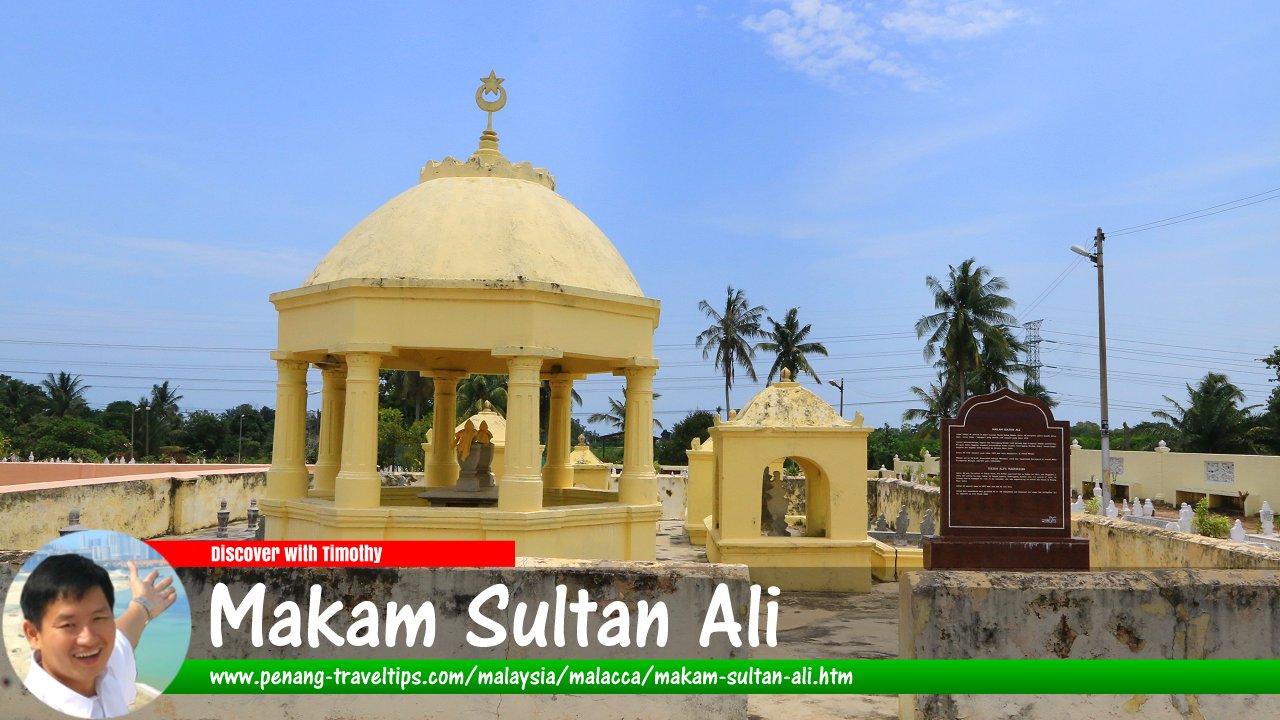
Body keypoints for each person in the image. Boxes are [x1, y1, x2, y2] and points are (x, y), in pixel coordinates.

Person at [19, 553, 178, 718]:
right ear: (33, 634)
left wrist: (143, 603)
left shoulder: (103, 668)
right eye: (68, 625)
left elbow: (123, 636)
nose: (88, 639)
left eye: (98, 618)